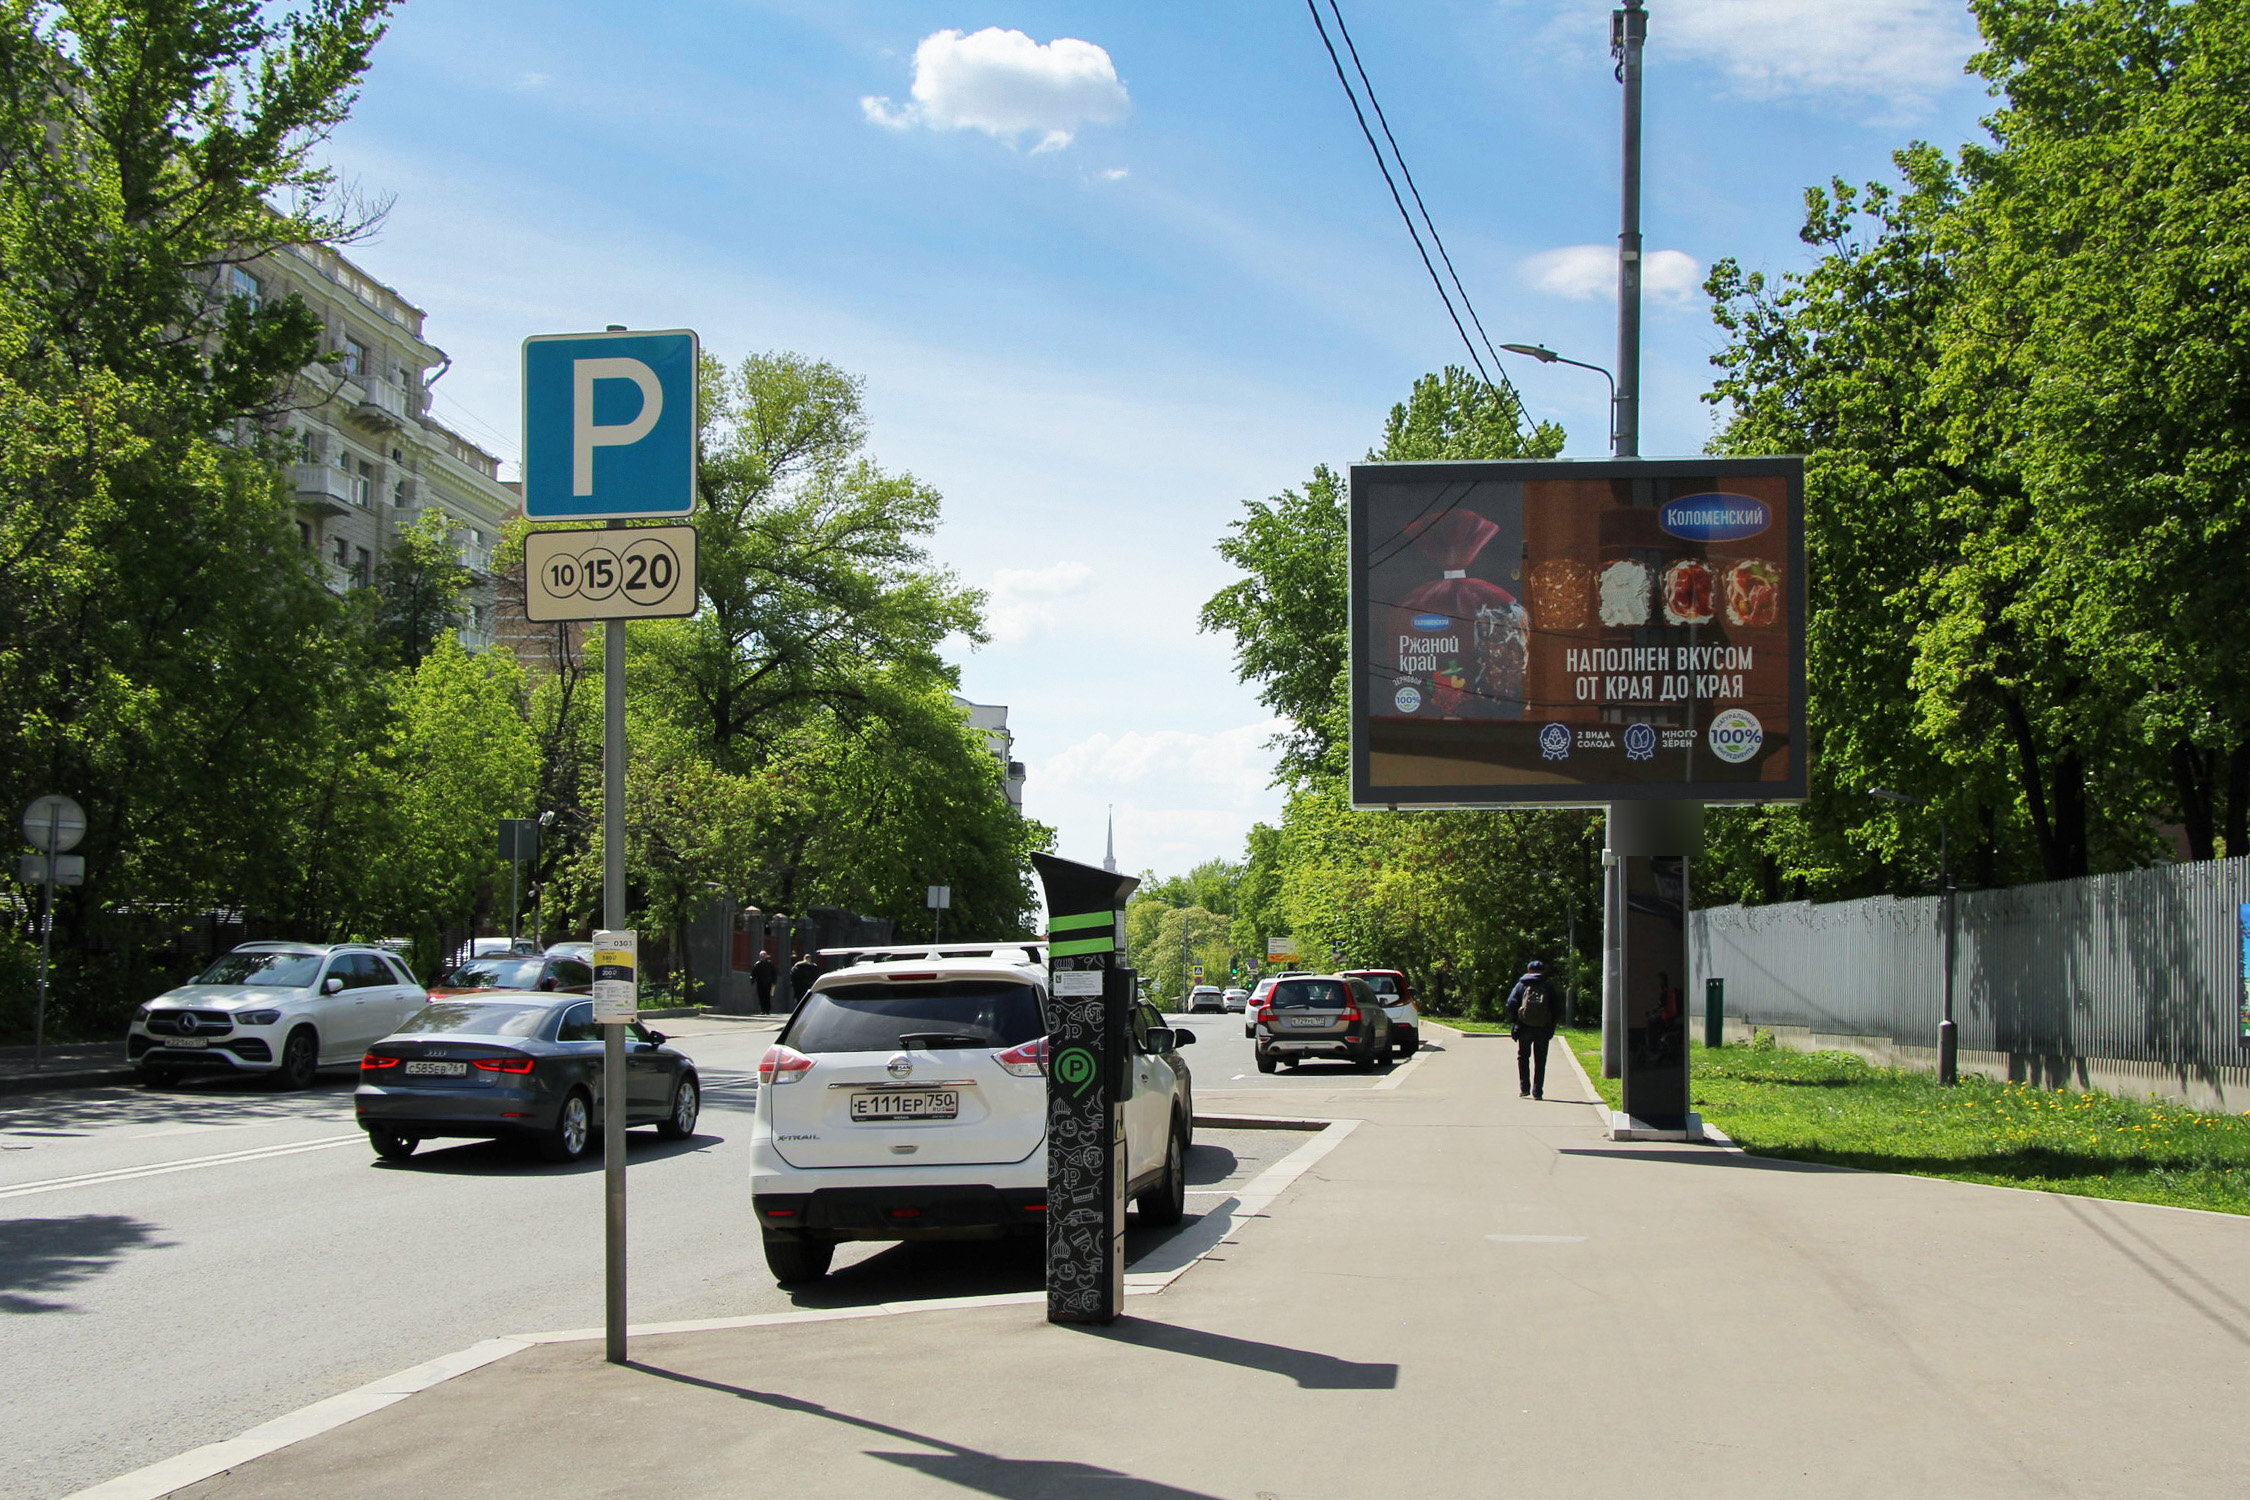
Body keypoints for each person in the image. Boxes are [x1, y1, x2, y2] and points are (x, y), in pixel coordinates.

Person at [1503, 958, 1561, 1100]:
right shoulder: (1547, 986)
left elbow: (1510, 1003)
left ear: (1529, 970)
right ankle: (1538, 1092)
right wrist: (1551, 1025)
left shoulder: (1521, 985)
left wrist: (1517, 1020)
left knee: (1523, 1057)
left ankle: (1524, 1088)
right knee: (1540, 1060)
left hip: (1524, 1027)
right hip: (1543, 1028)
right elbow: (1556, 1008)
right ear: (1542, 971)